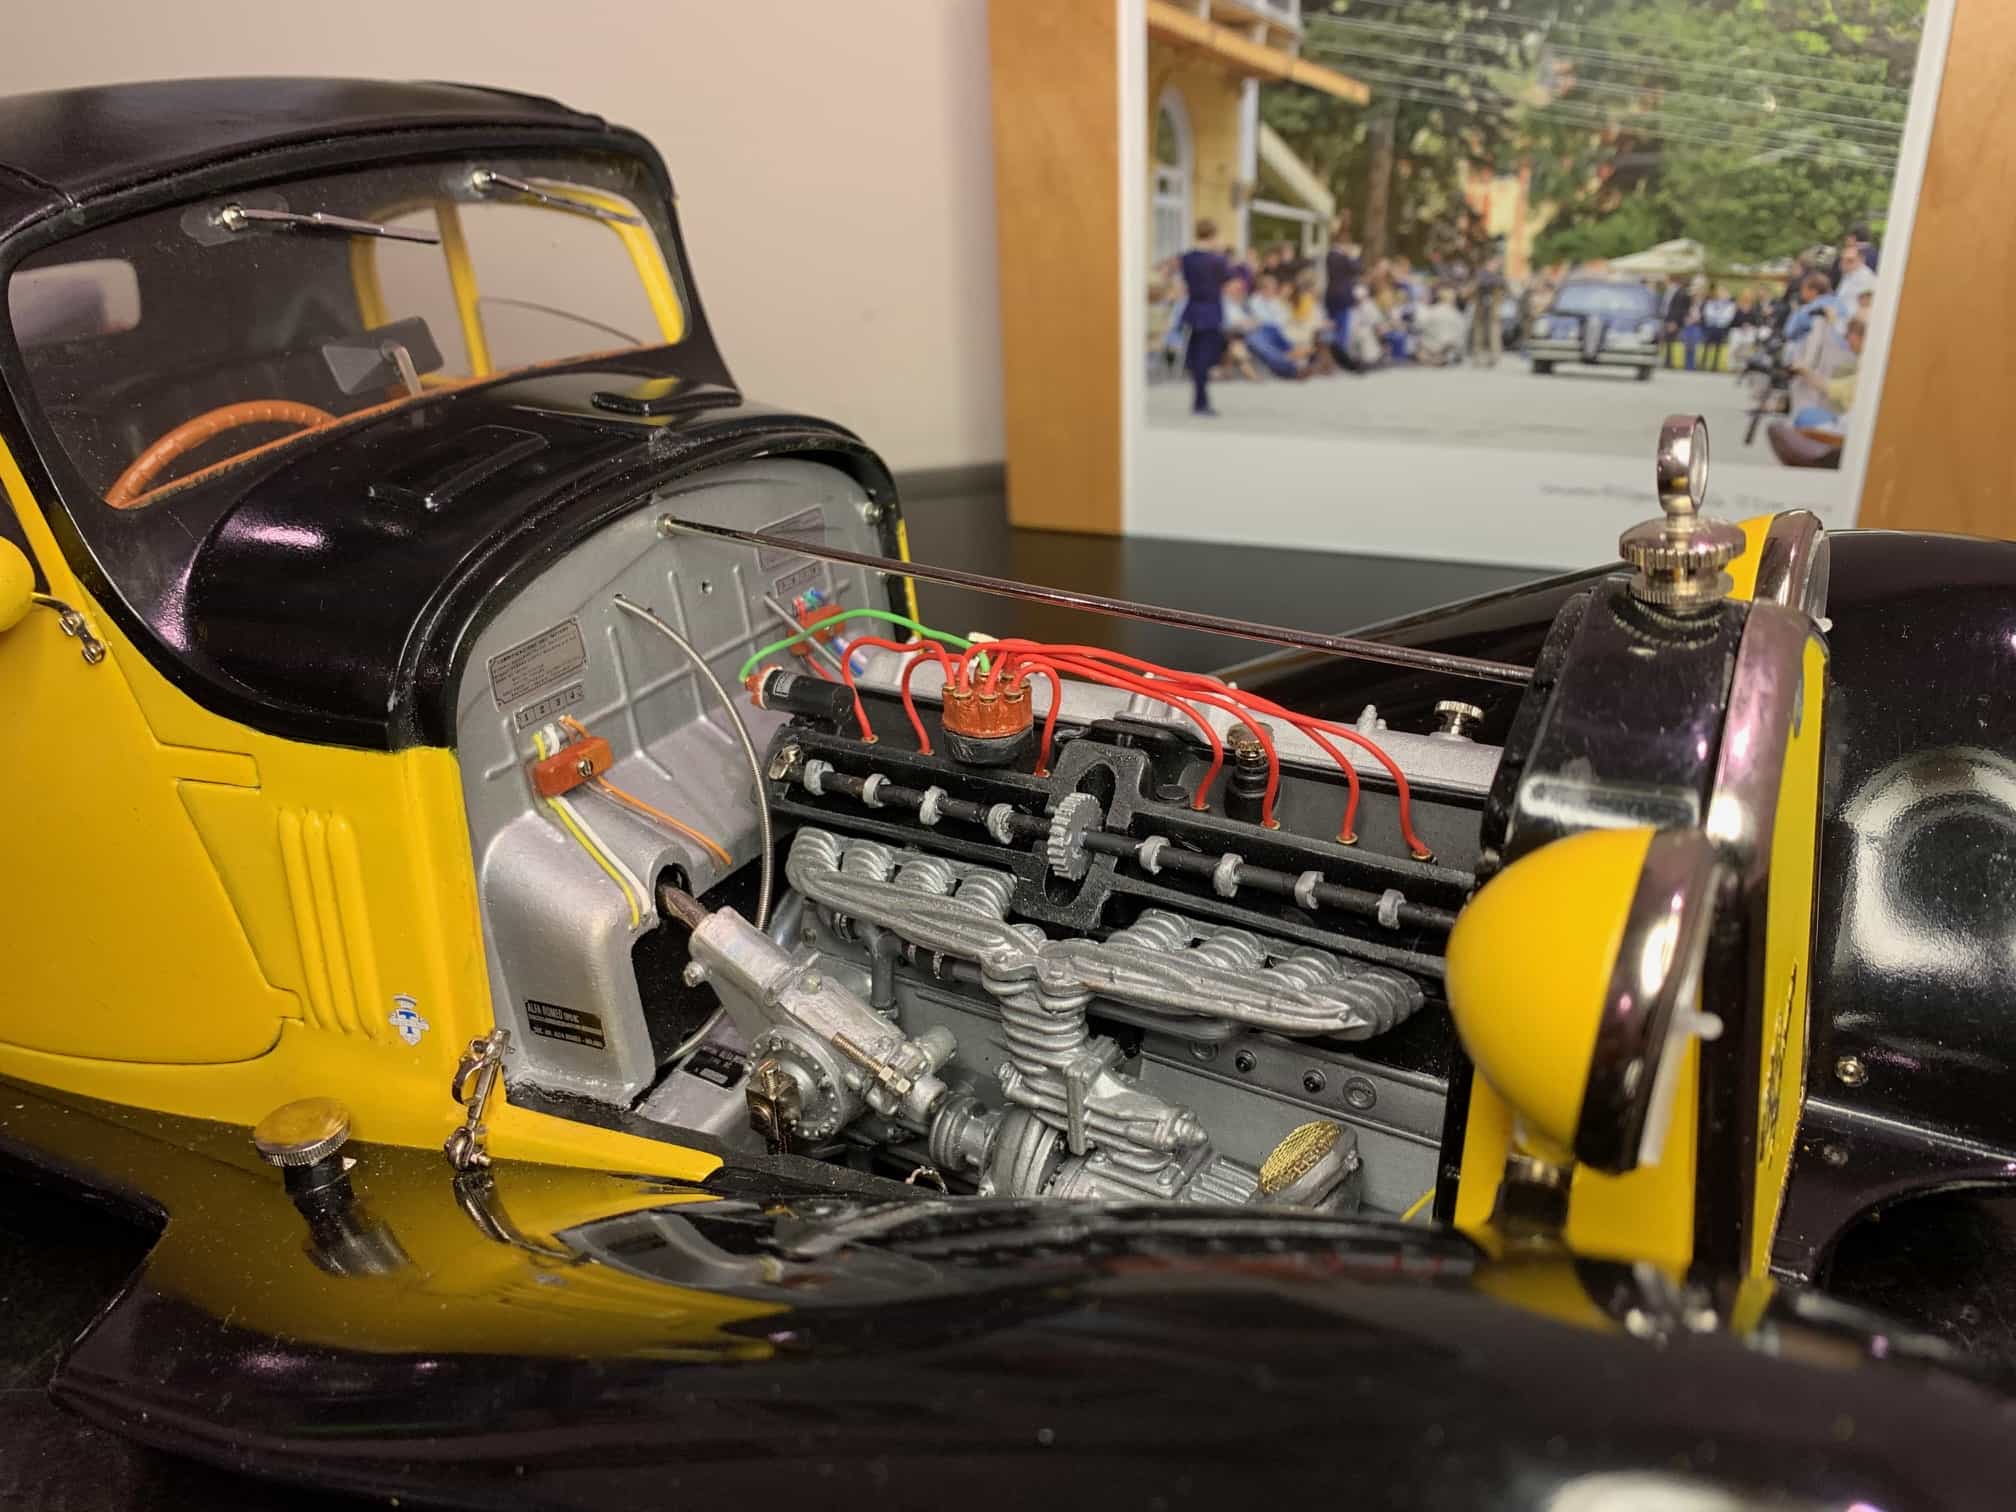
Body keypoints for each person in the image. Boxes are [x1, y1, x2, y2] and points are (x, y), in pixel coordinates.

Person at [1178, 218, 1230, 416]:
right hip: (1210, 311)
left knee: (1197, 354)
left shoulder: (1186, 258)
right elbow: (1226, 278)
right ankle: (1201, 402)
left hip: (1193, 309)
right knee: (1204, 357)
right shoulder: (1217, 260)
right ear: (1213, 236)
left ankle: (1200, 398)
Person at [1323, 217, 1363, 372]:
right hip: (1342, 298)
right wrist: (1354, 255)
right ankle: (1339, 361)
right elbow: (1357, 268)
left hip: (1331, 297)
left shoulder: (1330, 255)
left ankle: (1331, 360)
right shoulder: (1341, 257)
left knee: (1333, 329)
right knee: (1341, 332)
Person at [1468, 255, 1505, 367]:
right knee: (1479, 334)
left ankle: (1494, 357)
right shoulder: (1481, 275)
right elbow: (1474, 286)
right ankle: (1478, 357)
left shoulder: (1498, 277)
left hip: (1493, 310)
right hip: (1480, 309)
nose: (1494, 266)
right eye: (1492, 264)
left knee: (1494, 334)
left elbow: (1501, 286)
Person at [1700, 285, 1737, 371]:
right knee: (1707, 344)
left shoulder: (1730, 305)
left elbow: (1728, 317)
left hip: (1722, 327)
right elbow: (1708, 313)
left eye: (1724, 293)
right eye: (1720, 292)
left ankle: (1715, 365)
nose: (1721, 294)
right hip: (1711, 325)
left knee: (1718, 346)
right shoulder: (1711, 302)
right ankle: (1703, 363)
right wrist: (1715, 320)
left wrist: (1718, 320)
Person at [1834, 241, 1877, 308]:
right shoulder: (1849, 274)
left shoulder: (1865, 279)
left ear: (1861, 260)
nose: (1844, 263)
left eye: (1850, 260)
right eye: (1842, 259)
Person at [1664, 280, 1695, 368]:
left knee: (1671, 341)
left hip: (1675, 320)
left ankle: (1669, 361)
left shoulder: (1680, 293)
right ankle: (1669, 362)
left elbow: (1675, 308)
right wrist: (1673, 321)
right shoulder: (1683, 294)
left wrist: (1672, 321)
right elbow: (1677, 309)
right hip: (1676, 321)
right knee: (1671, 341)